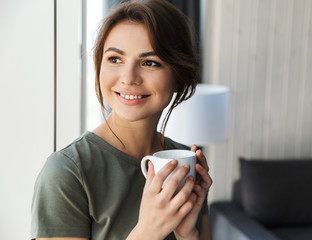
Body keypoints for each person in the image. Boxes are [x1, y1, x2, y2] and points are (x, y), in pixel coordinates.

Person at [30, 0, 213, 239]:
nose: (128, 78)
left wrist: (188, 234)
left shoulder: (185, 165)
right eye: (115, 59)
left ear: (178, 75)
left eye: (150, 62)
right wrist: (148, 230)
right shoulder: (68, 172)